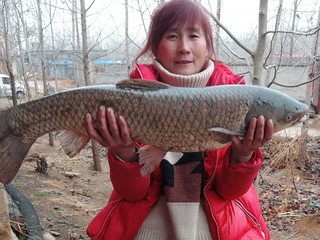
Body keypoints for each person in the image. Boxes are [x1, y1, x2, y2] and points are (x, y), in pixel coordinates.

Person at [84, 0, 274, 239]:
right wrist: (124, 152)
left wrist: (243, 156)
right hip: (147, 222)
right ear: (155, 46)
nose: (184, 47)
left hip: (216, 224)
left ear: (208, 45)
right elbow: (132, 195)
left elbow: (228, 193)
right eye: (172, 36)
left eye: (194, 35)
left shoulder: (236, 102)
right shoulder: (130, 99)